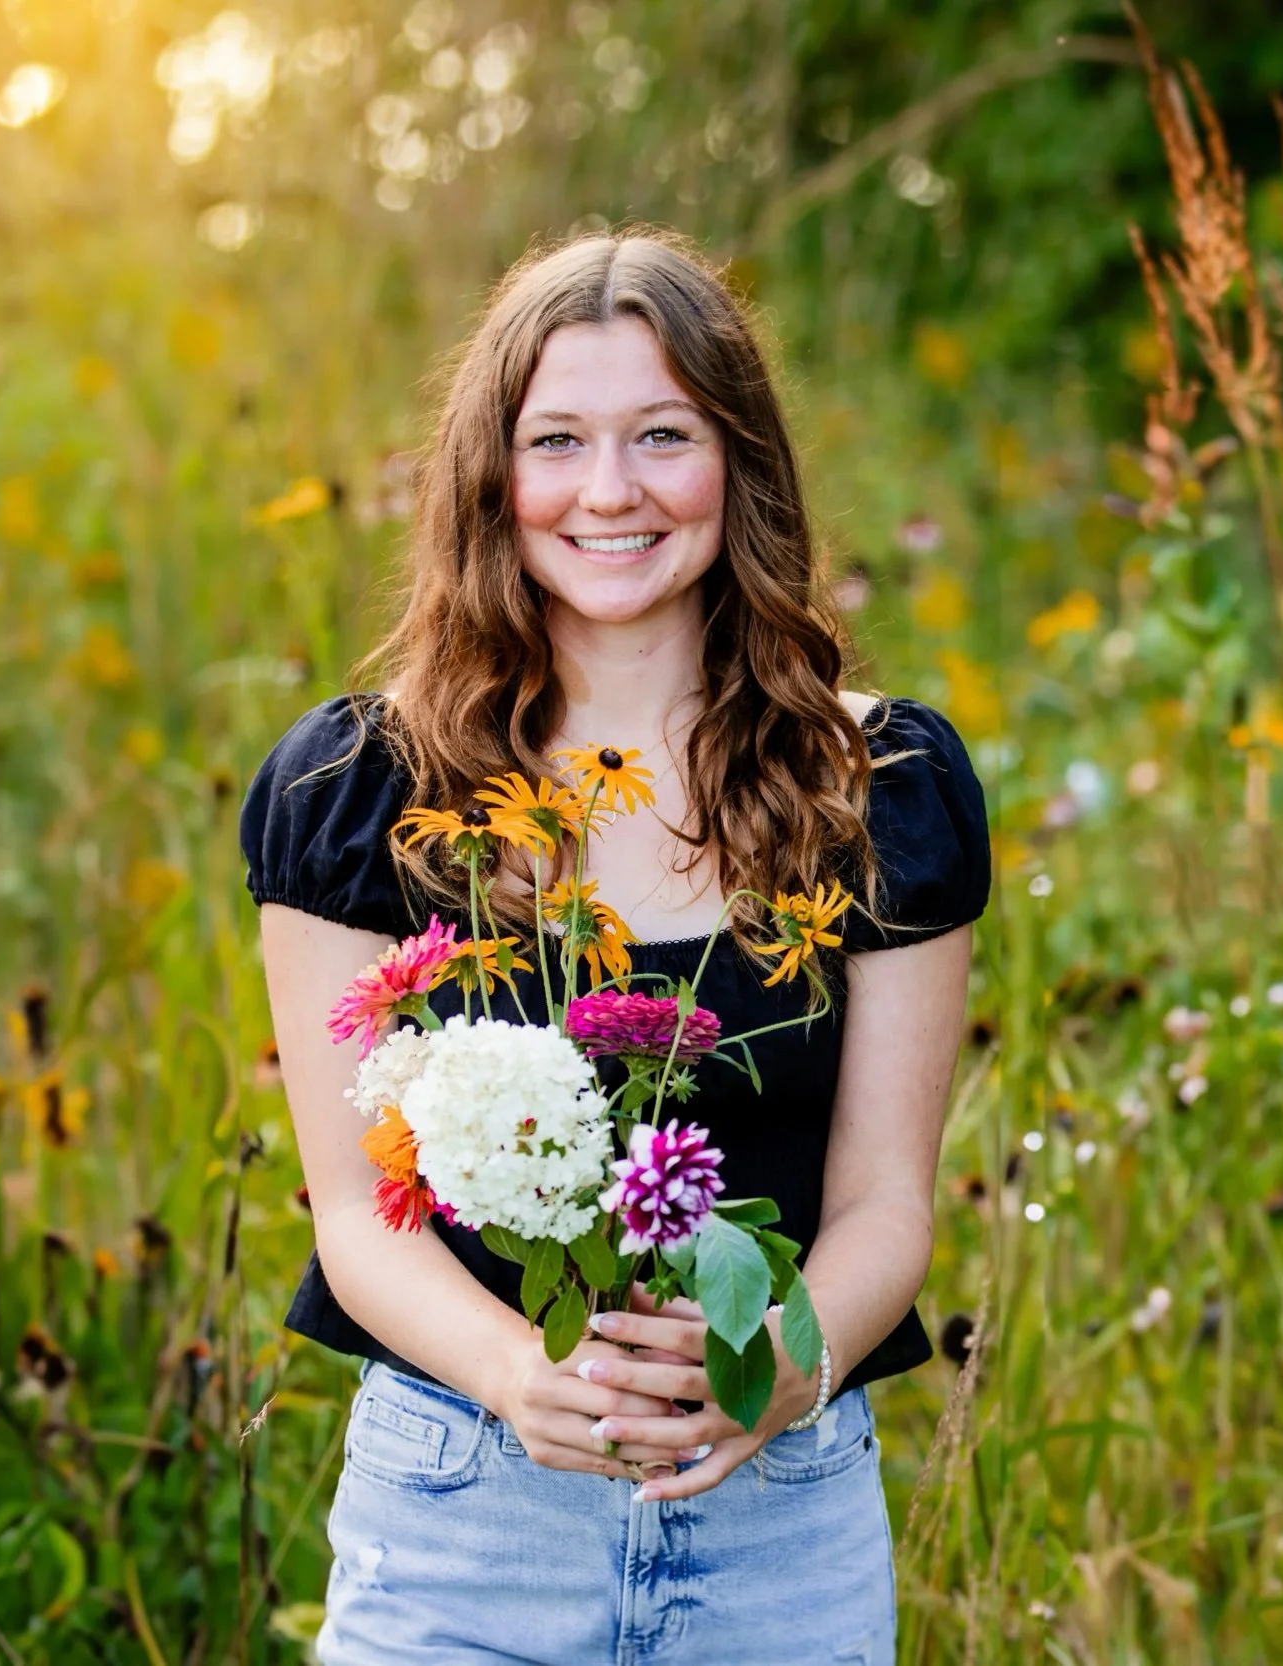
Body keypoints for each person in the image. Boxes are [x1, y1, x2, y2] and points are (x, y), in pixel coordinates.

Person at [239, 228, 989, 1665]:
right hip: (465, 1522)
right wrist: (525, 1376)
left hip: (783, 1523)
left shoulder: (880, 787)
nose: (609, 491)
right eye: (557, 440)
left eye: (664, 435)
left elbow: (889, 1202)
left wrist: (772, 1367)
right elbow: (351, 1213)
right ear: (491, 478)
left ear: (739, 464)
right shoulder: (360, 795)